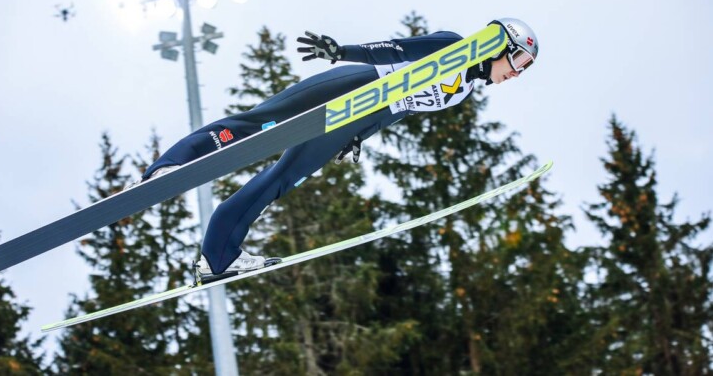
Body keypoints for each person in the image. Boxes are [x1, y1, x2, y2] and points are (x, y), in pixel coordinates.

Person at [138, 18, 539, 283]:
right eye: (518, 59)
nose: (516, 73)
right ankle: (169, 167)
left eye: (524, 68)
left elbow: (400, 107)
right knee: (257, 123)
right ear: (499, 45)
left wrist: (359, 136)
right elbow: (397, 50)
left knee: (280, 180)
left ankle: (217, 257)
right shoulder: (455, 47)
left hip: (362, 115)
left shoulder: (463, 92)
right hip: (355, 83)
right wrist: (342, 51)